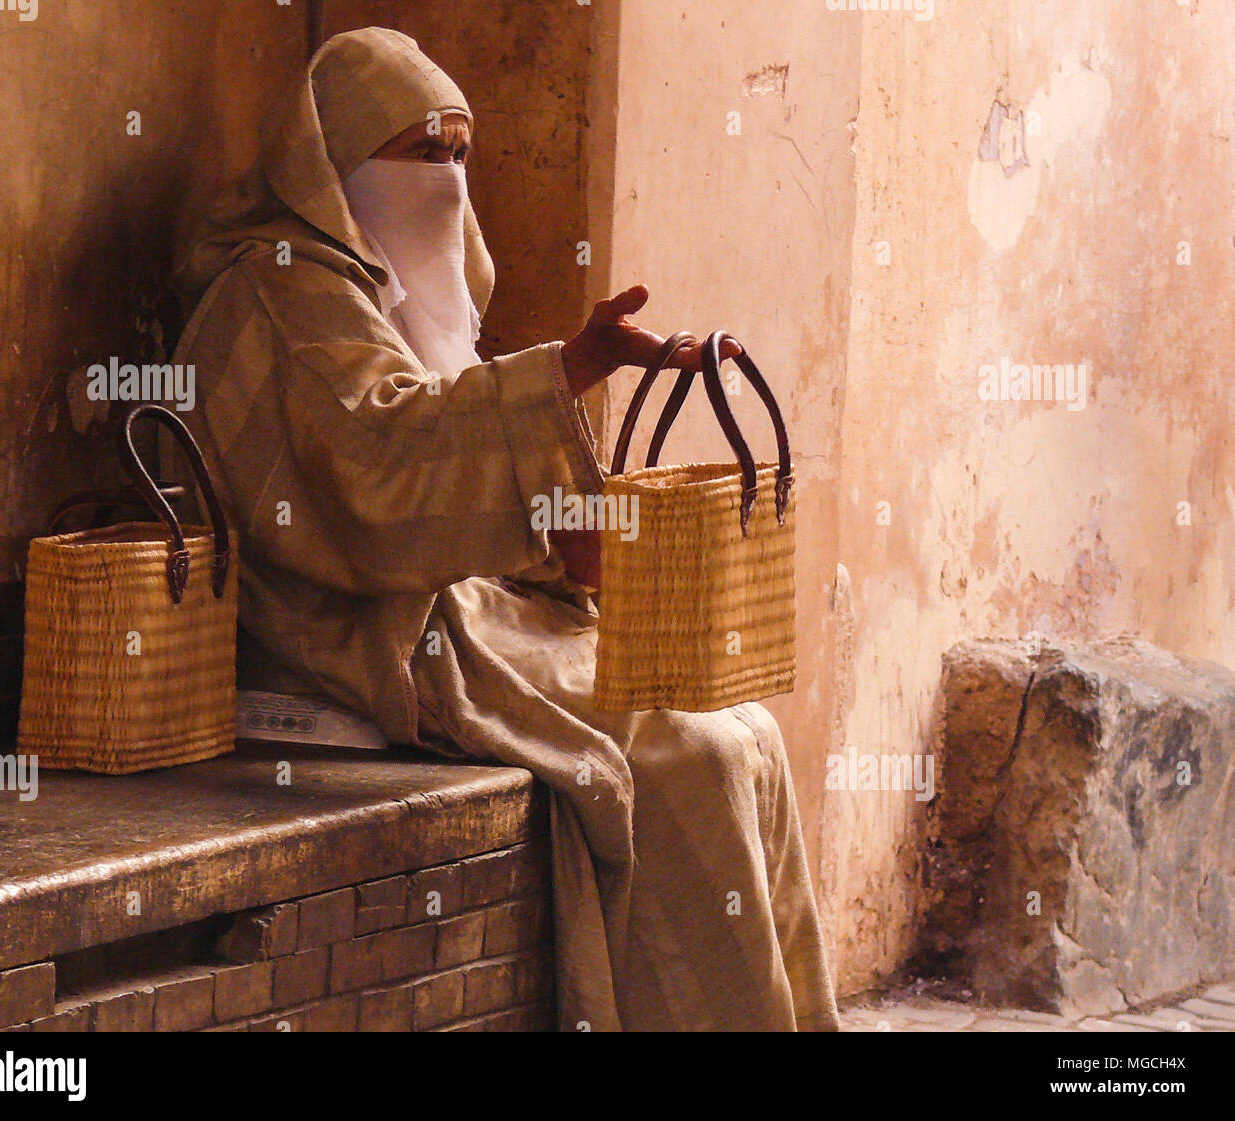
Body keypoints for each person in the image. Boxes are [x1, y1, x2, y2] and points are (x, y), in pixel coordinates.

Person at [172, 26, 839, 1031]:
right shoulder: (279, 295)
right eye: (419, 153)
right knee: (685, 757)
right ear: (338, 161)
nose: (445, 180)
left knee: (742, 724)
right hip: (351, 631)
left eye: (457, 154)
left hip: (459, 604)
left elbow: (450, 462)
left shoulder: (374, 284)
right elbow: (379, 471)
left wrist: (557, 537)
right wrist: (566, 369)